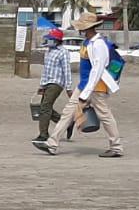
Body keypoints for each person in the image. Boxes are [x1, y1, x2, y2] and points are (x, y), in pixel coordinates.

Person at [34, 13, 124, 158]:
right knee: (68, 112)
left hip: (96, 87)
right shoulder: (88, 42)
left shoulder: (98, 44)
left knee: (105, 115)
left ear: (88, 28)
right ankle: (52, 143)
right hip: (85, 85)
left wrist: (85, 94)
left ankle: (116, 146)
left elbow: (97, 70)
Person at [34, 29, 75, 142]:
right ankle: (67, 123)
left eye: (50, 38)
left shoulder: (63, 52)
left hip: (57, 83)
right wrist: (41, 85)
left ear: (56, 40)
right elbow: (45, 70)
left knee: (45, 107)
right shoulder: (48, 51)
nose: (47, 40)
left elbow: (67, 70)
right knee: (44, 107)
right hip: (47, 82)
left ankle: (43, 134)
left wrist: (69, 87)